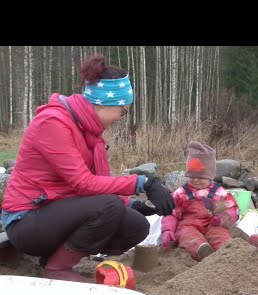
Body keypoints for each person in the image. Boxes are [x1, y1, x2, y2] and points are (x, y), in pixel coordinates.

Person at [1, 54, 175, 282]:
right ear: (104, 103)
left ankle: (55, 260)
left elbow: (91, 187)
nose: (122, 118)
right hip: (27, 220)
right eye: (123, 111)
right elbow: (83, 183)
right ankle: (58, 269)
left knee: (135, 225)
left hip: (57, 212)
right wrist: (142, 183)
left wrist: (132, 204)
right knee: (110, 205)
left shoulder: (88, 132)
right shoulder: (53, 123)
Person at [161, 141, 239, 261]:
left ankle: (227, 253)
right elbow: (171, 212)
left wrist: (223, 218)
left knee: (221, 235)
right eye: (192, 177)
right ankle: (202, 250)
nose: (196, 180)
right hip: (189, 224)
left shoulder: (220, 192)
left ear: (211, 176)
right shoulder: (181, 193)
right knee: (187, 235)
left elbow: (233, 210)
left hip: (212, 224)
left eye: (201, 177)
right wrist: (168, 229)